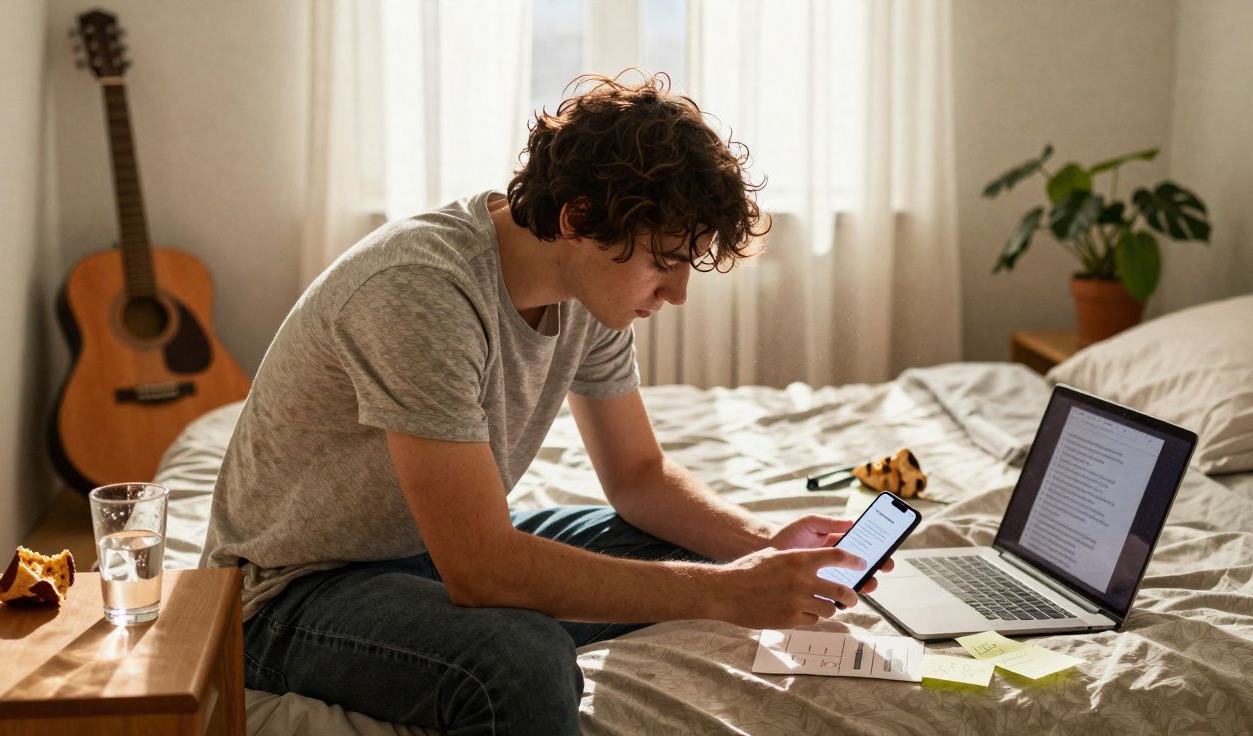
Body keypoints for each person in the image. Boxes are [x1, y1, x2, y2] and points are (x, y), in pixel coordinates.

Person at [201, 71, 891, 735]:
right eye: (665, 261)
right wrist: (725, 594)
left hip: (423, 553)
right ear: (579, 218)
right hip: (290, 593)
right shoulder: (421, 289)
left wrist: (760, 547)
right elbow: (481, 569)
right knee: (521, 660)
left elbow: (638, 478)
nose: (678, 294)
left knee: (676, 546)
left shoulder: (588, 289)